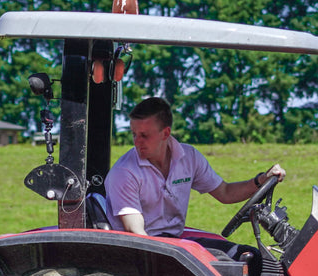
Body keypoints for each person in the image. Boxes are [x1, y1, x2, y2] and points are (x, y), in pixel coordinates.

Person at [107, 97, 283, 238]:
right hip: (148, 247)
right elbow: (136, 234)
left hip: (173, 239)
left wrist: (261, 181)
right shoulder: (124, 173)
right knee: (229, 265)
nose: (137, 142)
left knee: (245, 255)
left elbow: (225, 192)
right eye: (134, 134)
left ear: (166, 133)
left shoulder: (188, 157)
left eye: (144, 135)